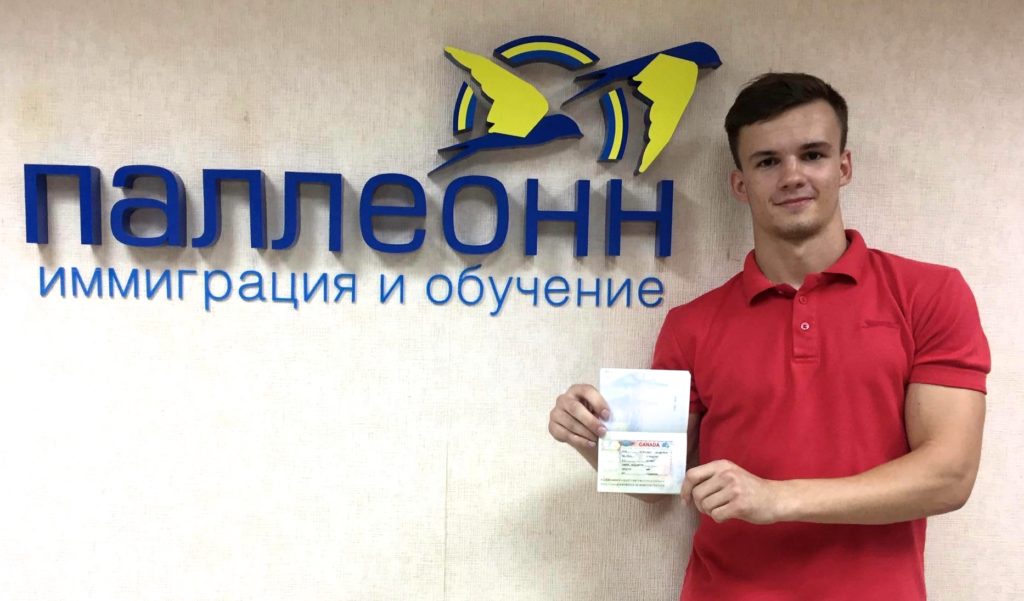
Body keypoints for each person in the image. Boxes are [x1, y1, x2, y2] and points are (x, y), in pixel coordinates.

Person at [547, 73, 990, 600]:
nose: (792, 176)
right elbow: (657, 484)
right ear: (741, 184)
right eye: (767, 162)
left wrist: (777, 498)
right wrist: (593, 439)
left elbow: (949, 476)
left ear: (844, 167)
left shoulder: (930, 294)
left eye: (813, 155)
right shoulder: (691, 324)